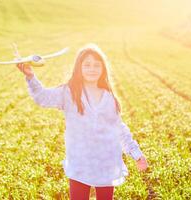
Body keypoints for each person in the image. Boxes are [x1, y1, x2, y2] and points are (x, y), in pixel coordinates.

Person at [16, 43, 148, 200]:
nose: (92, 69)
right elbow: (43, 98)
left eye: (96, 65)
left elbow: (119, 129)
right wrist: (30, 76)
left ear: (103, 69)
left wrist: (136, 153)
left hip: (106, 162)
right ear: (79, 68)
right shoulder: (70, 93)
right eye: (87, 65)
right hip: (80, 163)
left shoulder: (109, 97)